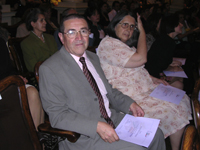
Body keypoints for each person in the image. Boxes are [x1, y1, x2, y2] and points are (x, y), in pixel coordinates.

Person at [39, 13, 166, 150]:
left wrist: (130, 104)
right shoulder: (50, 69)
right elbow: (58, 116)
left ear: (89, 33)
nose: (79, 38)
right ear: (61, 37)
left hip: (111, 119)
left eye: (83, 31)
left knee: (156, 134)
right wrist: (96, 126)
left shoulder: (93, 58)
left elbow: (108, 91)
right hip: (83, 136)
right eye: (71, 32)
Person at [97, 11, 192, 150]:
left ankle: (176, 147)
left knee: (181, 99)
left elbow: (137, 68)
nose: (128, 29)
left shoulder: (123, 45)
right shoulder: (108, 44)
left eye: (132, 27)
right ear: (114, 25)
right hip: (129, 96)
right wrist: (141, 30)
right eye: (125, 25)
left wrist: (153, 79)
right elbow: (142, 59)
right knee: (171, 109)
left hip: (143, 88)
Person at [0, 37, 44, 130]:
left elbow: (8, 69)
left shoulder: (0, 41)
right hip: (3, 86)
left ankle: (35, 139)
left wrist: (17, 76)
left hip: (6, 85)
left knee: (32, 92)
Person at [21, 8, 58, 72]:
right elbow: (32, 67)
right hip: (41, 74)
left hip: (56, 70)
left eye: (45, 20)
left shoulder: (50, 38)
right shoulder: (26, 43)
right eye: (41, 20)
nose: (45, 23)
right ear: (33, 24)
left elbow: (58, 57)